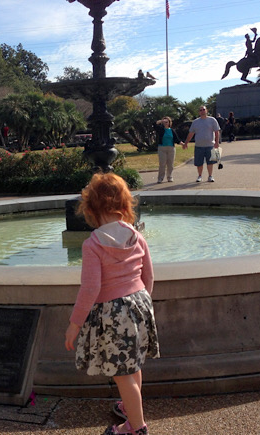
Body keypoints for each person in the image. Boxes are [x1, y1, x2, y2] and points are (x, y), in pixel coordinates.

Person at [65, 173, 159, 435]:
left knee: (121, 372)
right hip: (140, 303)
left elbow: (91, 289)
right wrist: (142, 303)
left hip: (114, 312)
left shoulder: (93, 244)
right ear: (125, 203)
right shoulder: (137, 236)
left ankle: (136, 428)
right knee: (133, 364)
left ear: (91, 207)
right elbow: (148, 276)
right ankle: (131, 409)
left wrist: (75, 324)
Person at [183, 106, 221, 182]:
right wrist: (186, 143)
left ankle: (210, 176)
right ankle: (199, 176)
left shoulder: (212, 120)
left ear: (206, 110)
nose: (202, 111)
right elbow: (191, 133)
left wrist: (217, 142)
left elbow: (217, 132)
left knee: (210, 162)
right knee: (199, 163)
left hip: (210, 145)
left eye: (204, 110)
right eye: (200, 110)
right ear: (199, 112)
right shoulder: (195, 122)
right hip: (199, 146)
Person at [153, 116, 182, 183]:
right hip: (162, 148)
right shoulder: (160, 129)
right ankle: (160, 178)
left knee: (170, 164)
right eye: (164, 122)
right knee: (162, 164)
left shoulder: (172, 130)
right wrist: (160, 121)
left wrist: (182, 143)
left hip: (171, 148)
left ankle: (170, 177)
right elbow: (154, 124)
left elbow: (176, 139)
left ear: (169, 122)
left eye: (167, 122)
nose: (165, 123)